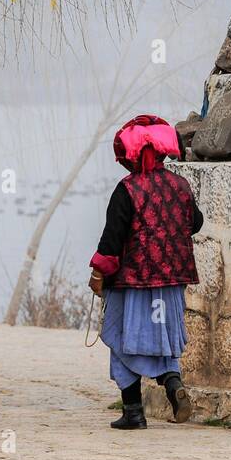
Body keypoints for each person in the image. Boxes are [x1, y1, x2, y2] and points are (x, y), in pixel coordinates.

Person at [89, 114, 202, 430]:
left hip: (132, 283)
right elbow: (195, 222)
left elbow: (112, 238)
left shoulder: (127, 190)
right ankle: (171, 382)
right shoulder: (179, 186)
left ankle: (134, 413)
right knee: (162, 339)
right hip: (171, 282)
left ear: (132, 154)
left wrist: (99, 272)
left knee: (124, 341)